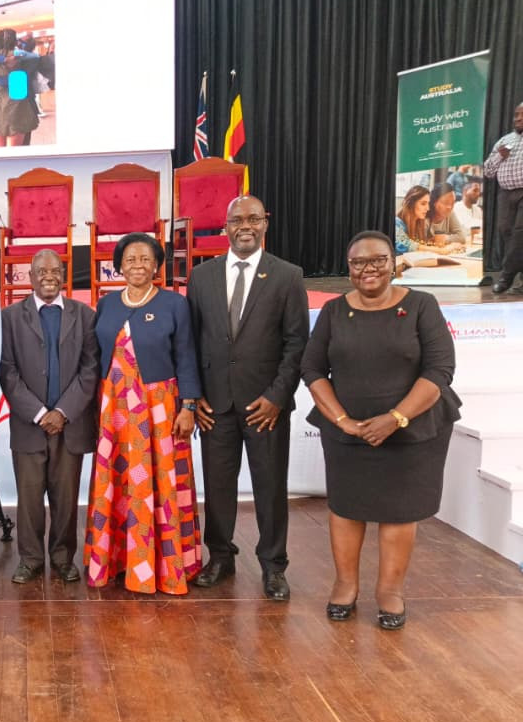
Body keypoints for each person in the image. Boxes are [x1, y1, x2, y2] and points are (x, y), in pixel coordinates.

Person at [301, 230, 461, 629]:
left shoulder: (422, 306)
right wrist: (342, 421)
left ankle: (390, 592)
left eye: (377, 261)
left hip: (411, 430)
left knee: (399, 513)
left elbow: (439, 370)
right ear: (349, 267)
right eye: (358, 263)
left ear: (394, 264)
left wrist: (396, 418)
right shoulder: (335, 311)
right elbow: (313, 369)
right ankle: (345, 585)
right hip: (348, 431)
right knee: (346, 508)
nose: (368, 269)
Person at [186, 196, 309, 600]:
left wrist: (277, 396)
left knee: (270, 487)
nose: (245, 225)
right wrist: (195, 396)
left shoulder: (287, 276)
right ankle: (220, 557)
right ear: (224, 226)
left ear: (265, 223)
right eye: (236, 219)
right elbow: (191, 342)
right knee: (217, 486)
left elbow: (296, 344)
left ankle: (273, 566)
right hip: (214, 405)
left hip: (266, 407)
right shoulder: (201, 277)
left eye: (253, 218)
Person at [84, 232, 202, 594]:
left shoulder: (173, 304)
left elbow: (186, 356)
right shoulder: (106, 304)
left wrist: (189, 405)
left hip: (159, 410)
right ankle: (118, 562)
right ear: (119, 265)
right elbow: (95, 356)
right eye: (130, 259)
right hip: (114, 410)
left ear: (157, 266)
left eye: (145, 259)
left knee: (161, 485)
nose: (137, 265)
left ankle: (164, 568)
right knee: (117, 486)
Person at [0, 250, 99, 584]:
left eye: (55, 270)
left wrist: (63, 412)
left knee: (66, 496)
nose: (48, 276)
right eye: (41, 271)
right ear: (29, 276)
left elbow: (90, 370)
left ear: (64, 274)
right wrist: (41, 413)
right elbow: (8, 372)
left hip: (70, 424)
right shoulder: (10, 317)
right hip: (30, 424)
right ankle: (30, 559)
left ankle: (62, 557)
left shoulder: (84, 315)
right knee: (28, 498)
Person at [0, 28, 40, 146]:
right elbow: (19, 82)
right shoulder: (23, 59)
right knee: (16, 152)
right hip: (17, 108)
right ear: (15, 41)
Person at [485, 102, 523, 293]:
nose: (517, 118)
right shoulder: (504, 141)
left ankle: (506, 278)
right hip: (506, 194)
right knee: (507, 233)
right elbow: (488, 172)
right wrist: (499, 156)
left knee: (519, 233)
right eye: (516, 115)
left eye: (521, 115)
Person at [425, 183, 467, 248]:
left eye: (453, 203)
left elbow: (461, 238)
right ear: (434, 202)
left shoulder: (450, 213)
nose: (449, 207)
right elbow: (421, 242)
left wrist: (443, 238)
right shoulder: (425, 215)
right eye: (446, 202)